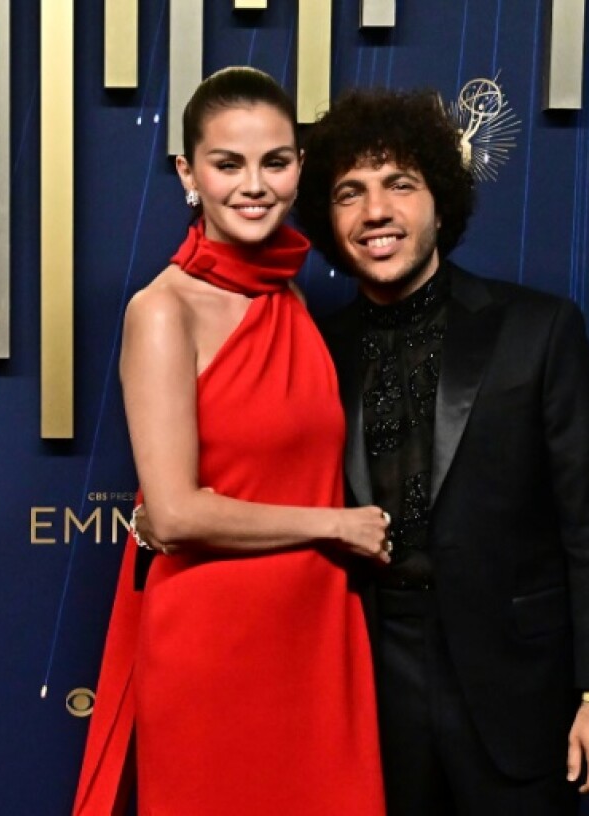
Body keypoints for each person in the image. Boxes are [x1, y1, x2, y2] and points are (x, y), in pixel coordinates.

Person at [295, 87, 589, 815]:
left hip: (518, 685)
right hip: (368, 687)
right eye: (349, 193)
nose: (375, 212)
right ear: (329, 222)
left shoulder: (538, 330)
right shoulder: (314, 352)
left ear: (440, 202)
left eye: (400, 185)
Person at [73, 67, 388, 816]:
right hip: (216, 640)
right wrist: (335, 525)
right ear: (189, 173)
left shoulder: (289, 293)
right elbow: (176, 515)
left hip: (315, 631)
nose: (255, 185)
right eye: (227, 163)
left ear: (299, 168)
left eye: (275, 162)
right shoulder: (162, 312)